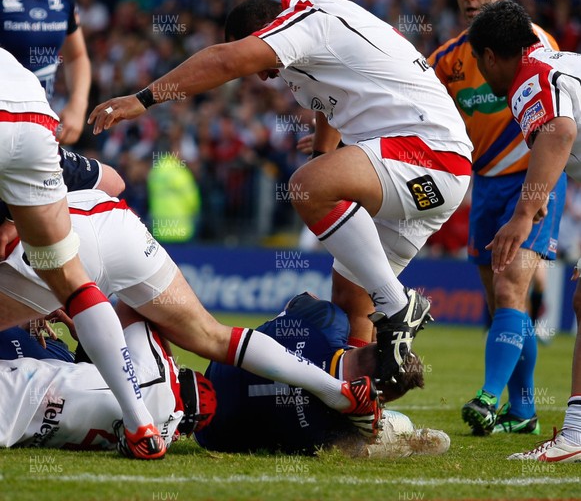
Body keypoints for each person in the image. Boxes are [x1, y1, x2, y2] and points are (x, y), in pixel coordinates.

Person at [88, 0, 473, 383]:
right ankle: (362, 407)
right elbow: (331, 102)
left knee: (307, 187)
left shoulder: (306, 20)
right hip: (427, 172)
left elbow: (225, 59)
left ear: (262, 33)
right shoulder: (316, 39)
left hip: (429, 155)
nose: (259, 76)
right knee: (352, 299)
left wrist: (144, 99)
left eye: (255, 57)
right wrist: (323, 154)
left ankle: (398, 306)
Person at [0, 187, 382, 439]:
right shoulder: (40, 140)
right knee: (213, 335)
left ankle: (139, 427)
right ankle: (338, 391)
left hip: (44, 247)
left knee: (74, 303)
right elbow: (112, 180)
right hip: (117, 225)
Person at [0, 46, 167, 459]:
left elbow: (110, 180)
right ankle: (140, 422)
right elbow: (111, 180)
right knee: (72, 283)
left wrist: (13, 219)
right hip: (35, 116)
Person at [427, 0, 566, 436]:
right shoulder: (447, 59)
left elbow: (558, 131)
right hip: (485, 186)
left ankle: (487, 398)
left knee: (511, 289)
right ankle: (523, 411)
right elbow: (409, 102)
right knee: (503, 304)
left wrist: (530, 206)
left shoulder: (531, 46)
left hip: (533, 181)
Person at [468, 0, 581, 462]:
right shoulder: (553, 63)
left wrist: (523, 212)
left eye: (480, 62)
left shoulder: (527, 77)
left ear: (491, 56)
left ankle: (574, 437)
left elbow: (559, 131)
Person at [196, 291, 450, 458]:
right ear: (380, 397)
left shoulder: (330, 321)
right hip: (214, 435)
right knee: (397, 424)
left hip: (218, 369)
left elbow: (295, 301)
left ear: (374, 342)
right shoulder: (333, 432)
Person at [0, 302, 217, 451]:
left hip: (16, 387)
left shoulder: (158, 374)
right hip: (20, 431)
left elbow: (133, 301)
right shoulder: (162, 438)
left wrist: (168, 357)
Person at [0, 0, 91, 144]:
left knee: (109, 182)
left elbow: (76, 56)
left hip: (41, 126)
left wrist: (77, 106)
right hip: (4, 125)